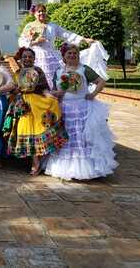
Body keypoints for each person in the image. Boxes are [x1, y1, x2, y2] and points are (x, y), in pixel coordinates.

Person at [44, 43, 118, 180]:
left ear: (78, 55)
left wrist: (93, 94)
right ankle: (67, 168)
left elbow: (101, 81)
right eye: (69, 54)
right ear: (64, 56)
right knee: (67, 137)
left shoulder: (84, 69)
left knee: (83, 137)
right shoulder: (59, 71)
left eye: (75, 53)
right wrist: (57, 93)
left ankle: (89, 168)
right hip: (65, 109)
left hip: (83, 108)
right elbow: (54, 90)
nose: (72, 56)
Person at [2, 47, 68, 176]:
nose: (27, 59)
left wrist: (50, 97)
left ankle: (36, 163)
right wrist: (14, 91)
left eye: (30, 57)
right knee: (25, 130)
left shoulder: (38, 71)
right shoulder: (17, 73)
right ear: (21, 59)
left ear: (34, 58)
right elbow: (14, 89)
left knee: (38, 129)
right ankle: (34, 161)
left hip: (37, 103)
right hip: (22, 105)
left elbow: (44, 88)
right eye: (25, 56)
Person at [18, 3, 95, 88]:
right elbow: (21, 41)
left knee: (58, 77)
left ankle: (58, 96)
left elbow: (66, 34)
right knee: (37, 79)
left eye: (43, 11)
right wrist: (35, 42)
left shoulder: (52, 26)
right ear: (34, 13)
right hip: (36, 56)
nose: (41, 13)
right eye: (38, 11)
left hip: (52, 55)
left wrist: (84, 39)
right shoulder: (29, 26)